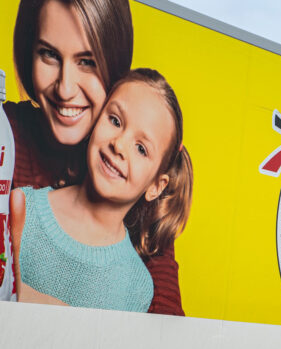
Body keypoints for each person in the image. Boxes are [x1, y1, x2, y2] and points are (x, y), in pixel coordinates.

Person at [4, 0, 185, 314]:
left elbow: (162, 326)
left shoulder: (143, 203)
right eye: (49, 54)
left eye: (87, 61)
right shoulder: (5, 136)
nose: (65, 89)